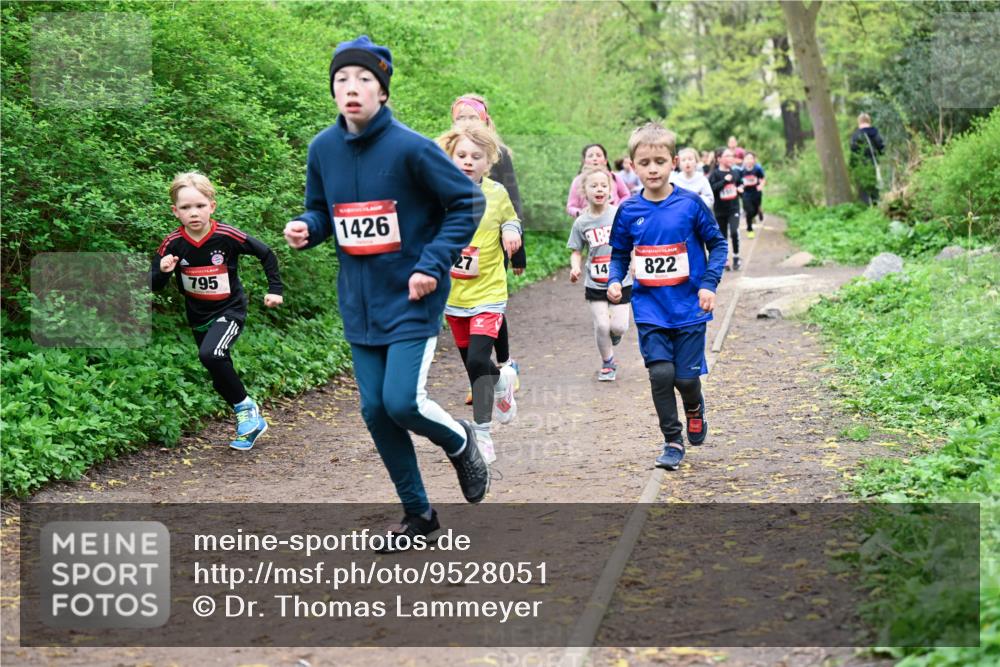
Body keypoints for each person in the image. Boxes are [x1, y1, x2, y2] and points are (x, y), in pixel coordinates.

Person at [283, 35, 489, 549]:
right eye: (342, 80)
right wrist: (309, 227)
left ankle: (460, 440)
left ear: (383, 91)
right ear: (333, 90)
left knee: (401, 401)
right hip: (360, 302)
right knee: (375, 411)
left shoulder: (411, 148)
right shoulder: (323, 149)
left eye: (364, 79)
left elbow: (467, 202)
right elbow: (322, 211)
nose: (351, 88)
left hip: (413, 295)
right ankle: (419, 515)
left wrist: (431, 264)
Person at [607, 123, 727, 471]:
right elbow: (619, 253)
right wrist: (615, 279)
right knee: (661, 375)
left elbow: (717, 244)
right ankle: (672, 440)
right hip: (650, 309)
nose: (653, 169)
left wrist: (708, 284)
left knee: (685, 380)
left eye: (660, 161)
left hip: (689, 307)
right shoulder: (629, 210)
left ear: (673, 162)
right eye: (645, 163)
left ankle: (694, 407)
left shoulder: (689, 205)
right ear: (633, 166)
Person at [151, 172, 284, 451]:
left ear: (212, 206)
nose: (194, 213)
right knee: (216, 372)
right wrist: (162, 272)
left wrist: (275, 289)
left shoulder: (226, 236)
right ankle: (252, 424)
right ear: (175, 211)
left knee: (211, 354)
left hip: (230, 309)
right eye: (186, 207)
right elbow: (154, 285)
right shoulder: (172, 243)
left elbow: (266, 253)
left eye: (200, 205)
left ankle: (246, 409)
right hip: (198, 315)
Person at [437, 124, 521, 463]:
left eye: (476, 156)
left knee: (476, 360)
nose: (468, 161)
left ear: (488, 162)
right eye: (461, 155)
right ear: (450, 157)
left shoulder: (496, 193)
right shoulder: (438, 192)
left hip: (488, 292)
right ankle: (502, 382)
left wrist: (511, 231)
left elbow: (511, 219)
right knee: (475, 367)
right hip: (453, 296)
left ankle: (482, 433)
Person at [450, 94, 523, 403]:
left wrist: (516, 245)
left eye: (472, 117)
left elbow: (512, 201)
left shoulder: (498, 153)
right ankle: (482, 375)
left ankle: (503, 364)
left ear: (485, 120)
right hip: (460, 255)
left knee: (491, 302)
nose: (466, 122)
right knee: (469, 310)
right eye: (461, 118)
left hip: (494, 243)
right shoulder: (449, 153)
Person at [567, 166, 632, 381]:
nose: (599, 189)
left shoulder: (619, 214)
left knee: (619, 326)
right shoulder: (581, 222)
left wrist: (635, 262)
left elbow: (633, 242)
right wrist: (575, 267)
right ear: (584, 191)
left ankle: (613, 335)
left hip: (621, 280)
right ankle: (608, 362)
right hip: (595, 282)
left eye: (604, 185)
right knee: (602, 325)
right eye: (593, 186)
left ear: (610, 190)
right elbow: (576, 251)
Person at [566, 144, 632, 218]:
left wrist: (617, 208)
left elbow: (626, 195)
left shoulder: (614, 177)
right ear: (584, 161)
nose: (595, 158)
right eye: (590, 156)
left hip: (615, 219)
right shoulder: (578, 181)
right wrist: (580, 213)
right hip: (590, 221)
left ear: (605, 161)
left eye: (598, 155)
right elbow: (571, 207)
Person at [709, 148, 743, 270]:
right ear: (719, 159)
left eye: (732, 156)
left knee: (734, 232)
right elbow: (712, 189)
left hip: (734, 209)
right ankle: (725, 259)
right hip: (720, 211)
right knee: (723, 236)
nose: (731, 158)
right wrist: (724, 181)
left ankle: (736, 257)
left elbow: (740, 183)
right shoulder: (714, 174)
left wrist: (740, 189)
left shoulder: (735, 172)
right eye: (727, 156)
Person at [849, 112, 885, 206]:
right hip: (873, 162)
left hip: (860, 165)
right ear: (869, 121)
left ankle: (865, 207)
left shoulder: (855, 135)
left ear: (859, 122)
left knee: (863, 189)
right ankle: (876, 205)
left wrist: (852, 166)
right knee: (874, 186)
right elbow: (881, 147)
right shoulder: (875, 132)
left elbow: (853, 151)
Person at [740, 152, 766, 238]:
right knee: (749, 211)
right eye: (747, 158)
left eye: (751, 158)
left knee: (754, 210)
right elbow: (739, 181)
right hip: (746, 193)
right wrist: (740, 187)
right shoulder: (741, 171)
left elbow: (763, 179)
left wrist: (761, 185)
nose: (749, 160)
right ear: (744, 160)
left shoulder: (757, 169)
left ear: (754, 160)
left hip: (756, 193)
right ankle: (750, 229)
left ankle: (758, 211)